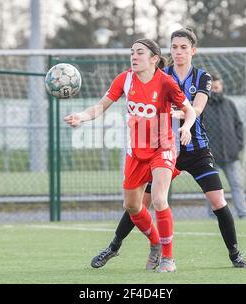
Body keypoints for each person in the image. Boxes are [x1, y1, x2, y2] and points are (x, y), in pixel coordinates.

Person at [90, 28, 246, 270]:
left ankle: (235, 255)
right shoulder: (159, 75)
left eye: (183, 47)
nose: (178, 52)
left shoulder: (202, 78)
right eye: (175, 47)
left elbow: (196, 109)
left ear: (193, 51)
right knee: (139, 203)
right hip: (163, 149)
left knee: (218, 201)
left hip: (195, 149)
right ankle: (113, 247)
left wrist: (176, 114)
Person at [65, 38, 197, 273]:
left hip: (162, 148)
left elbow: (189, 110)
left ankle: (168, 259)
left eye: (139, 53)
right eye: (132, 53)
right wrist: (81, 117)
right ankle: (156, 243)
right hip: (135, 151)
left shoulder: (165, 83)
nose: (134, 57)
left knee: (158, 199)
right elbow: (100, 106)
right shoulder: (124, 79)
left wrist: (186, 127)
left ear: (154, 59)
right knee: (132, 206)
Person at [203, 73, 246, 219]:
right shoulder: (202, 105)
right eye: (213, 87)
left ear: (221, 86)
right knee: (211, 188)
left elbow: (238, 125)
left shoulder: (229, 104)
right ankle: (212, 216)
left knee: (237, 184)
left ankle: (243, 214)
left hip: (231, 153)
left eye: (218, 86)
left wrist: (238, 145)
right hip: (211, 155)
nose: (216, 89)